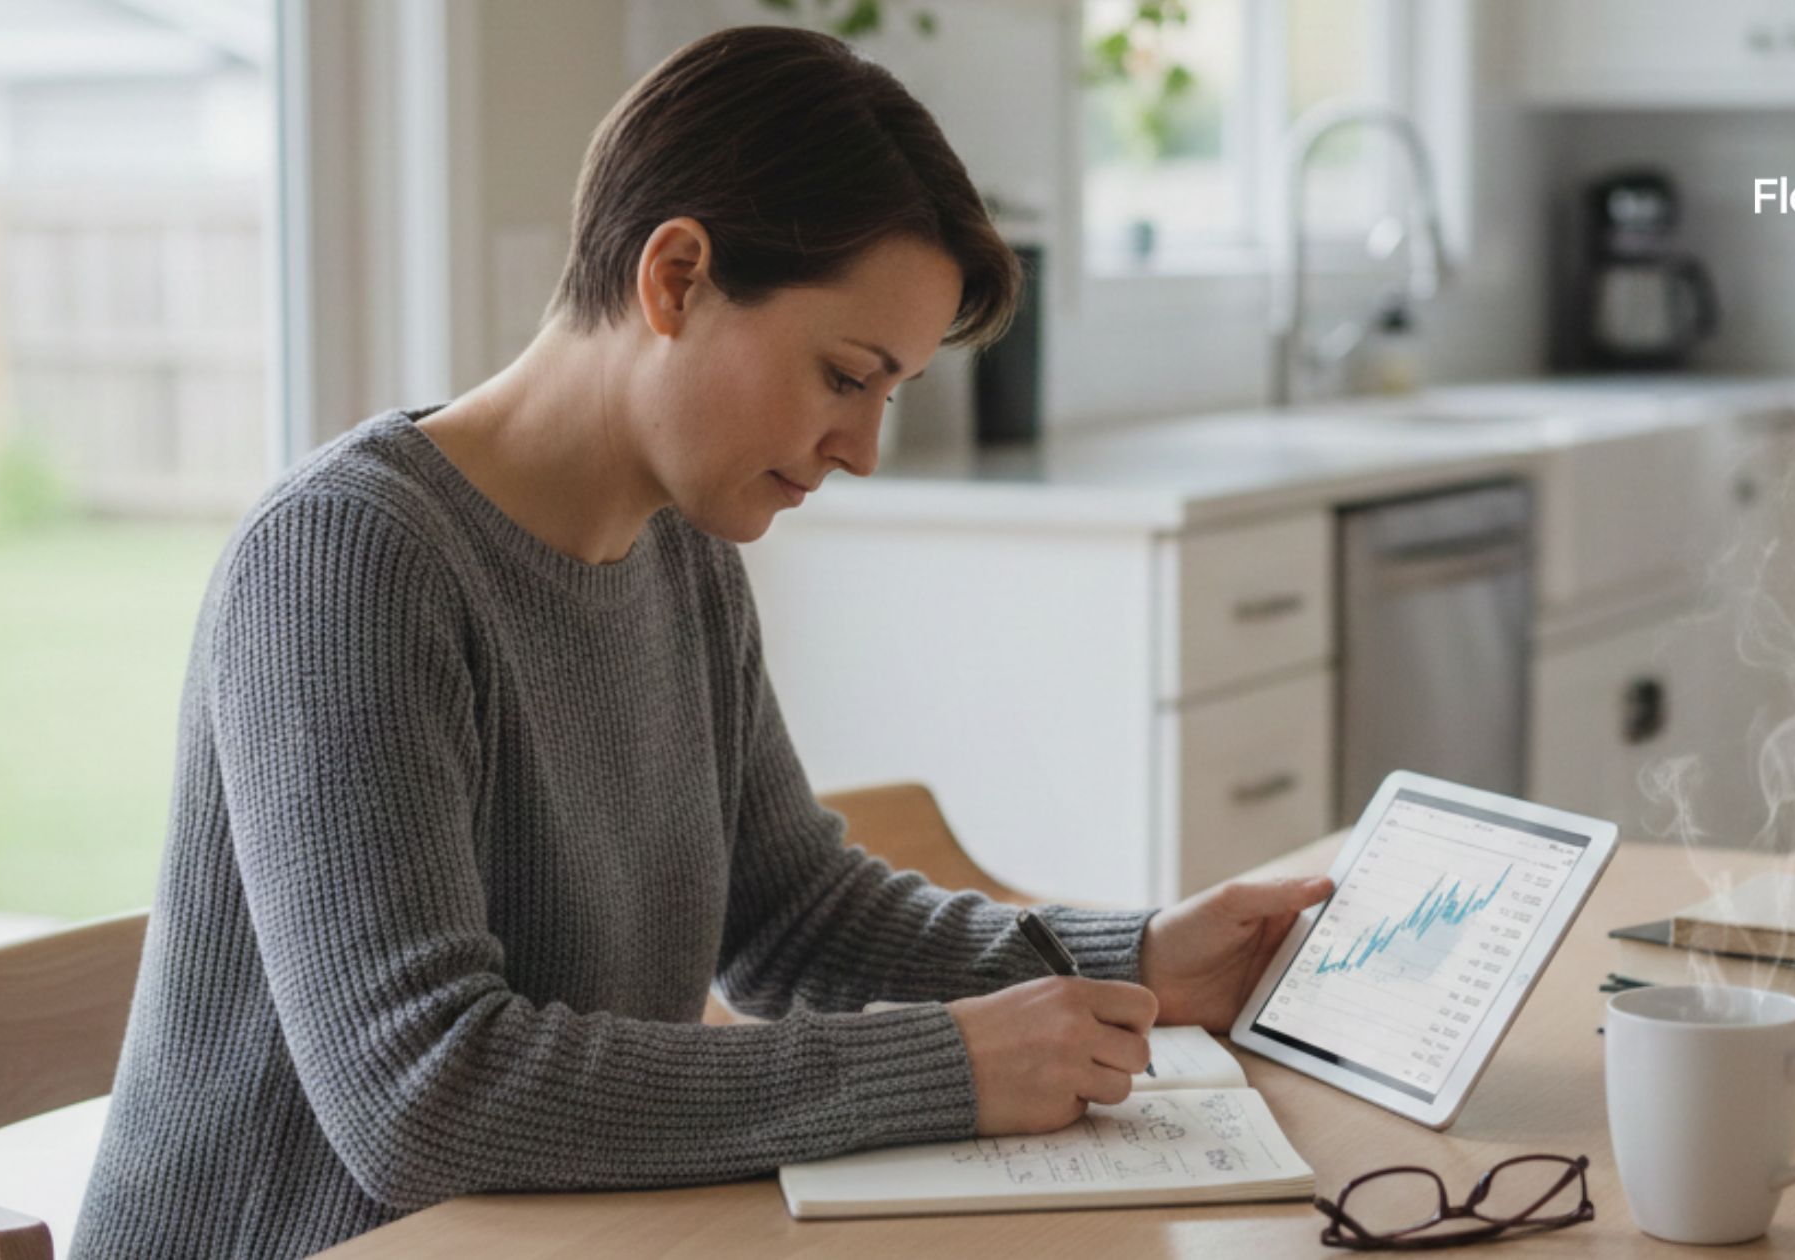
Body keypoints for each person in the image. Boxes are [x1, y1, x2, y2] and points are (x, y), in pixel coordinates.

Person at [70, 25, 1333, 1259]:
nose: (862, 448)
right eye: (844, 376)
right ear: (673, 277)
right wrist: (944, 1068)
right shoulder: (348, 558)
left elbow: (790, 919)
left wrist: (1139, 959)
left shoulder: (681, 551)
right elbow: (422, 1095)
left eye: (887, 394)